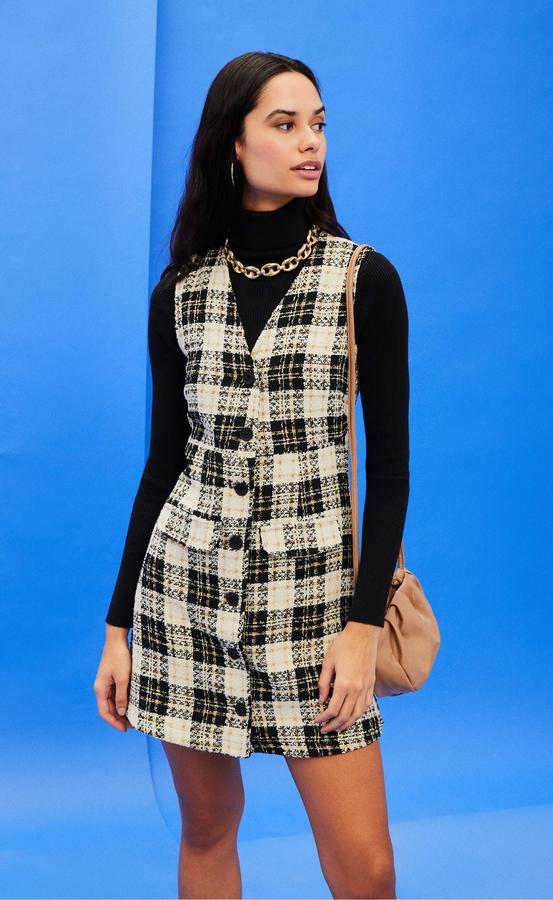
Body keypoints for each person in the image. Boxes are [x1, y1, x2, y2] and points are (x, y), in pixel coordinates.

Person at [94, 50, 409, 900]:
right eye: (285, 124)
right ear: (233, 144)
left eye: (319, 125)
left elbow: (390, 471)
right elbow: (163, 465)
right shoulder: (179, 292)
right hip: (184, 597)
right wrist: (119, 629)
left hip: (315, 608)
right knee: (206, 829)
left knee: (367, 865)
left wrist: (362, 628)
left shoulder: (363, 279)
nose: (311, 143)